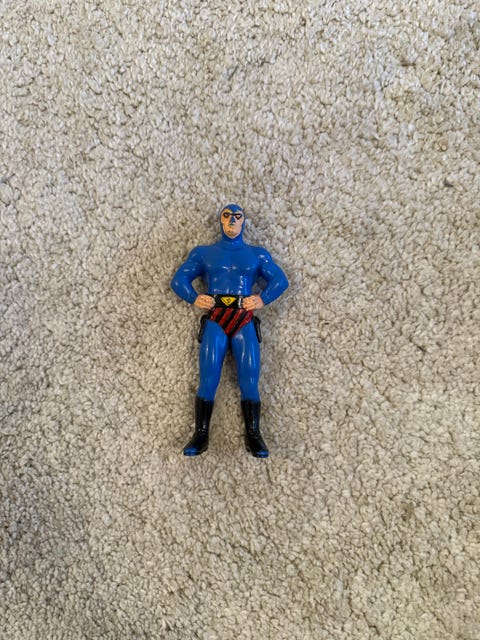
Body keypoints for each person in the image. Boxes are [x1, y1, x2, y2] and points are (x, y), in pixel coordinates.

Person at [171, 204, 289, 457]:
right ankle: (200, 433)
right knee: (208, 376)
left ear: (244, 221)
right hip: (216, 318)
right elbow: (178, 280)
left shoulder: (257, 254)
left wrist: (262, 299)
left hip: (244, 318)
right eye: (227, 216)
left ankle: (254, 433)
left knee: (250, 378)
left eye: (237, 216)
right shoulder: (204, 253)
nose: (232, 221)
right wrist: (194, 297)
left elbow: (281, 280)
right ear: (220, 221)